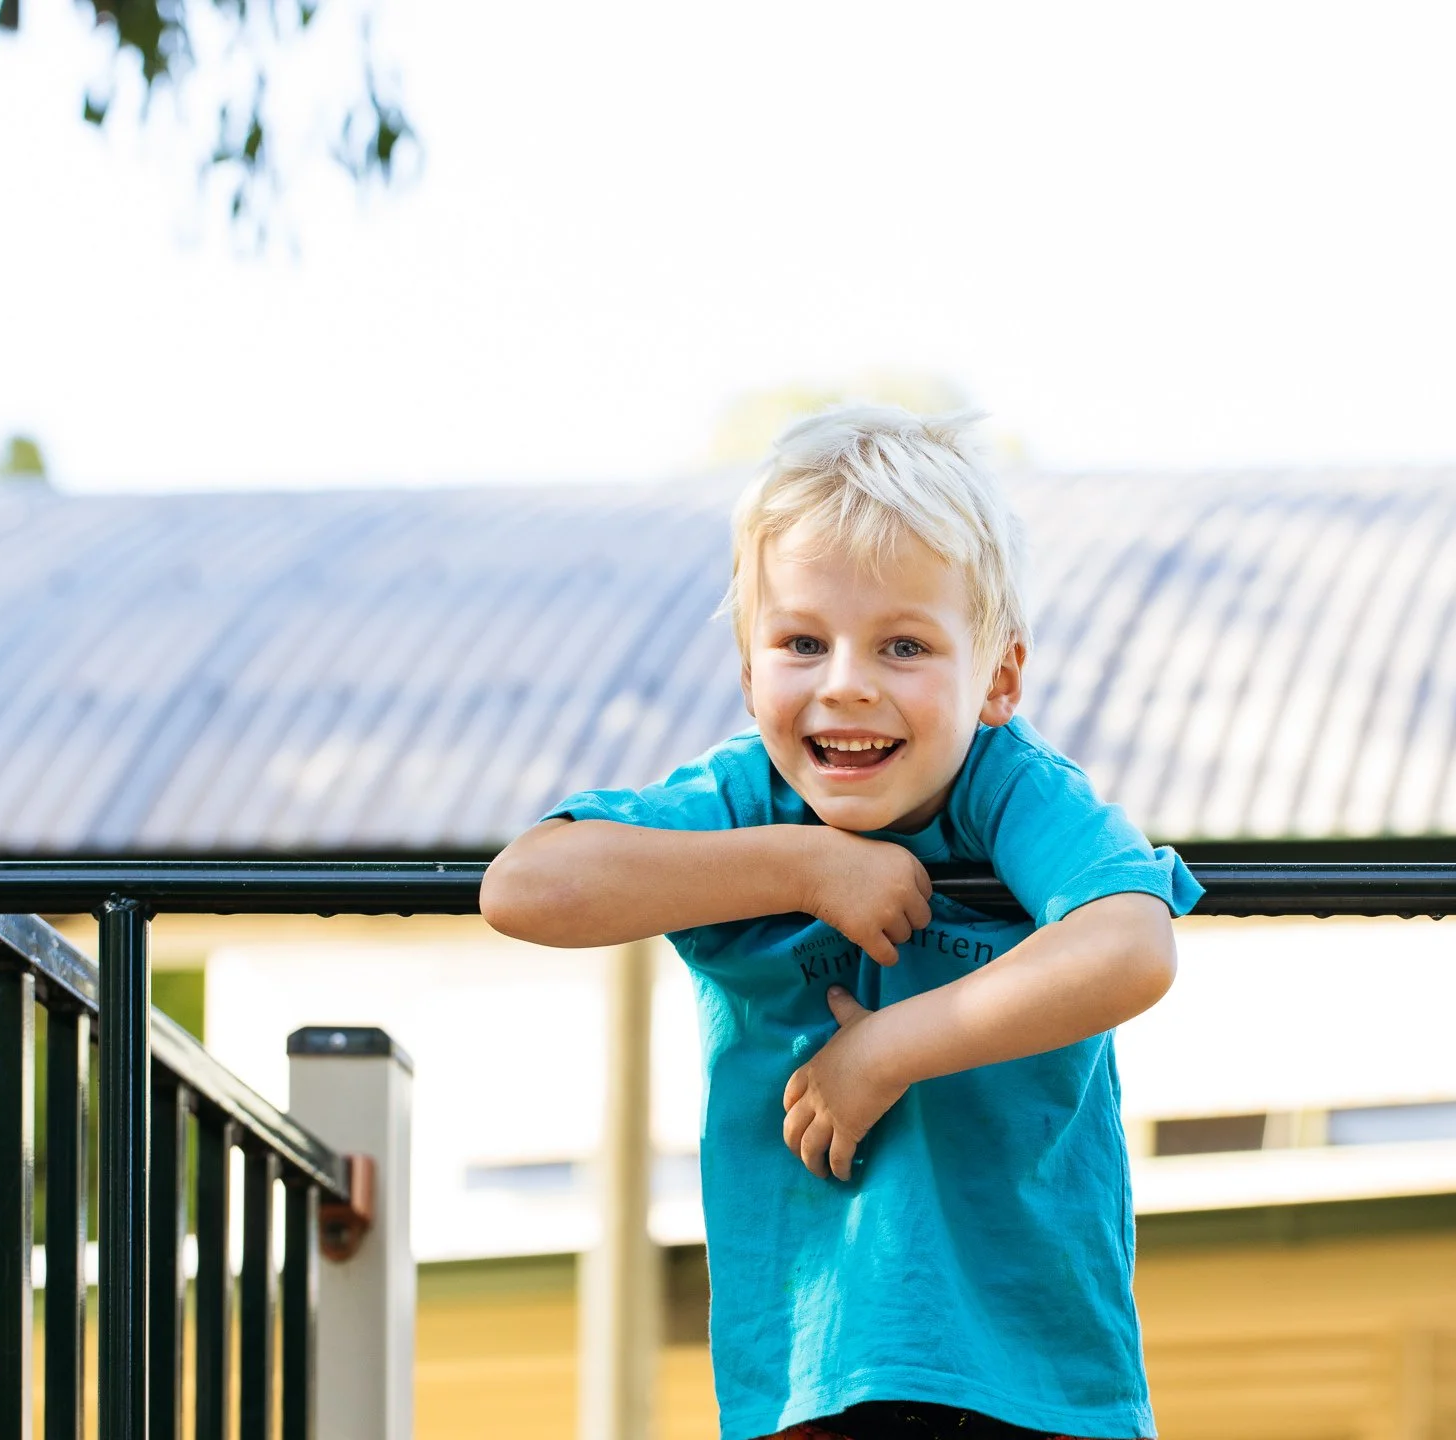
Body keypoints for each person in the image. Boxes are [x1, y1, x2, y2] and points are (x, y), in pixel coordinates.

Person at [480, 406, 1201, 1440]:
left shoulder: (1012, 789)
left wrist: (892, 1050)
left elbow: (1131, 943)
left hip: (1034, 1373)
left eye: (903, 644)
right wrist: (805, 865)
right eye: (802, 643)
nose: (846, 684)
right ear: (747, 670)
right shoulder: (743, 798)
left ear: (997, 676)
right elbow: (524, 888)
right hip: (811, 1371)